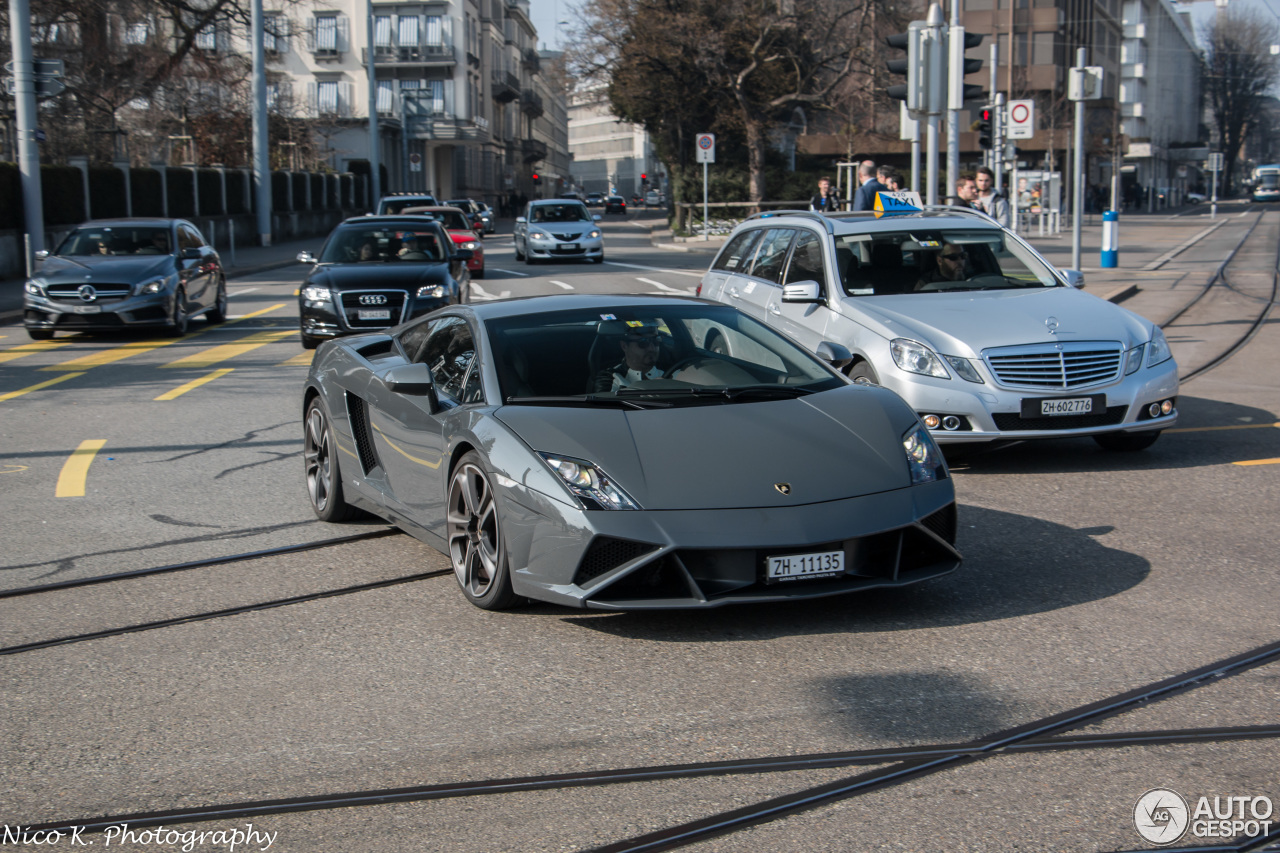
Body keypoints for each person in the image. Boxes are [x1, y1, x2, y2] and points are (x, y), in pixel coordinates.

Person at [595, 322, 666, 391]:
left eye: (656, 340)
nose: (651, 348)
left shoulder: (669, 371)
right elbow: (604, 401)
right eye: (643, 342)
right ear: (624, 346)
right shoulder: (610, 377)